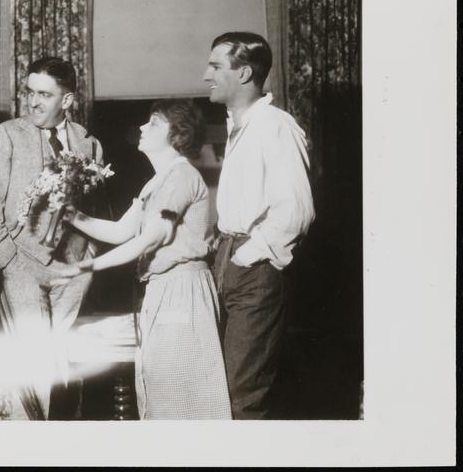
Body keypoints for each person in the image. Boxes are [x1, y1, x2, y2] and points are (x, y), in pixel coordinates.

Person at [54, 100, 232, 420]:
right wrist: (72, 215)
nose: (141, 127)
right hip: (164, 288)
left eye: (153, 123)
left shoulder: (181, 176)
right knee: (161, 390)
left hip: (183, 289)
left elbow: (150, 239)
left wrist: (88, 265)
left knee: (182, 393)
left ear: (177, 134)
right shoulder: (156, 181)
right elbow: (121, 231)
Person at [0, 57, 104, 419]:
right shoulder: (7, 135)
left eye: (44, 94)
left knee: (62, 362)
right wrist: (7, 261)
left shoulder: (89, 144)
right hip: (21, 266)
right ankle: (27, 440)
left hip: (71, 271)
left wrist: (87, 256)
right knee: (32, 363)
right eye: (29, 92)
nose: (32, 101)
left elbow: (93, 209)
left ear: (67, 100)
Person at [203, 32, 315, 419]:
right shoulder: (241, 125)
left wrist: (246, 255)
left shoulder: (274, 125)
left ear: (244, 73)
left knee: (242, 395)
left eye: (215, 66)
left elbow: (296, 211)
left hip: (254, 267)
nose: (206, 75)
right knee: (223, 390)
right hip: (230, 258)